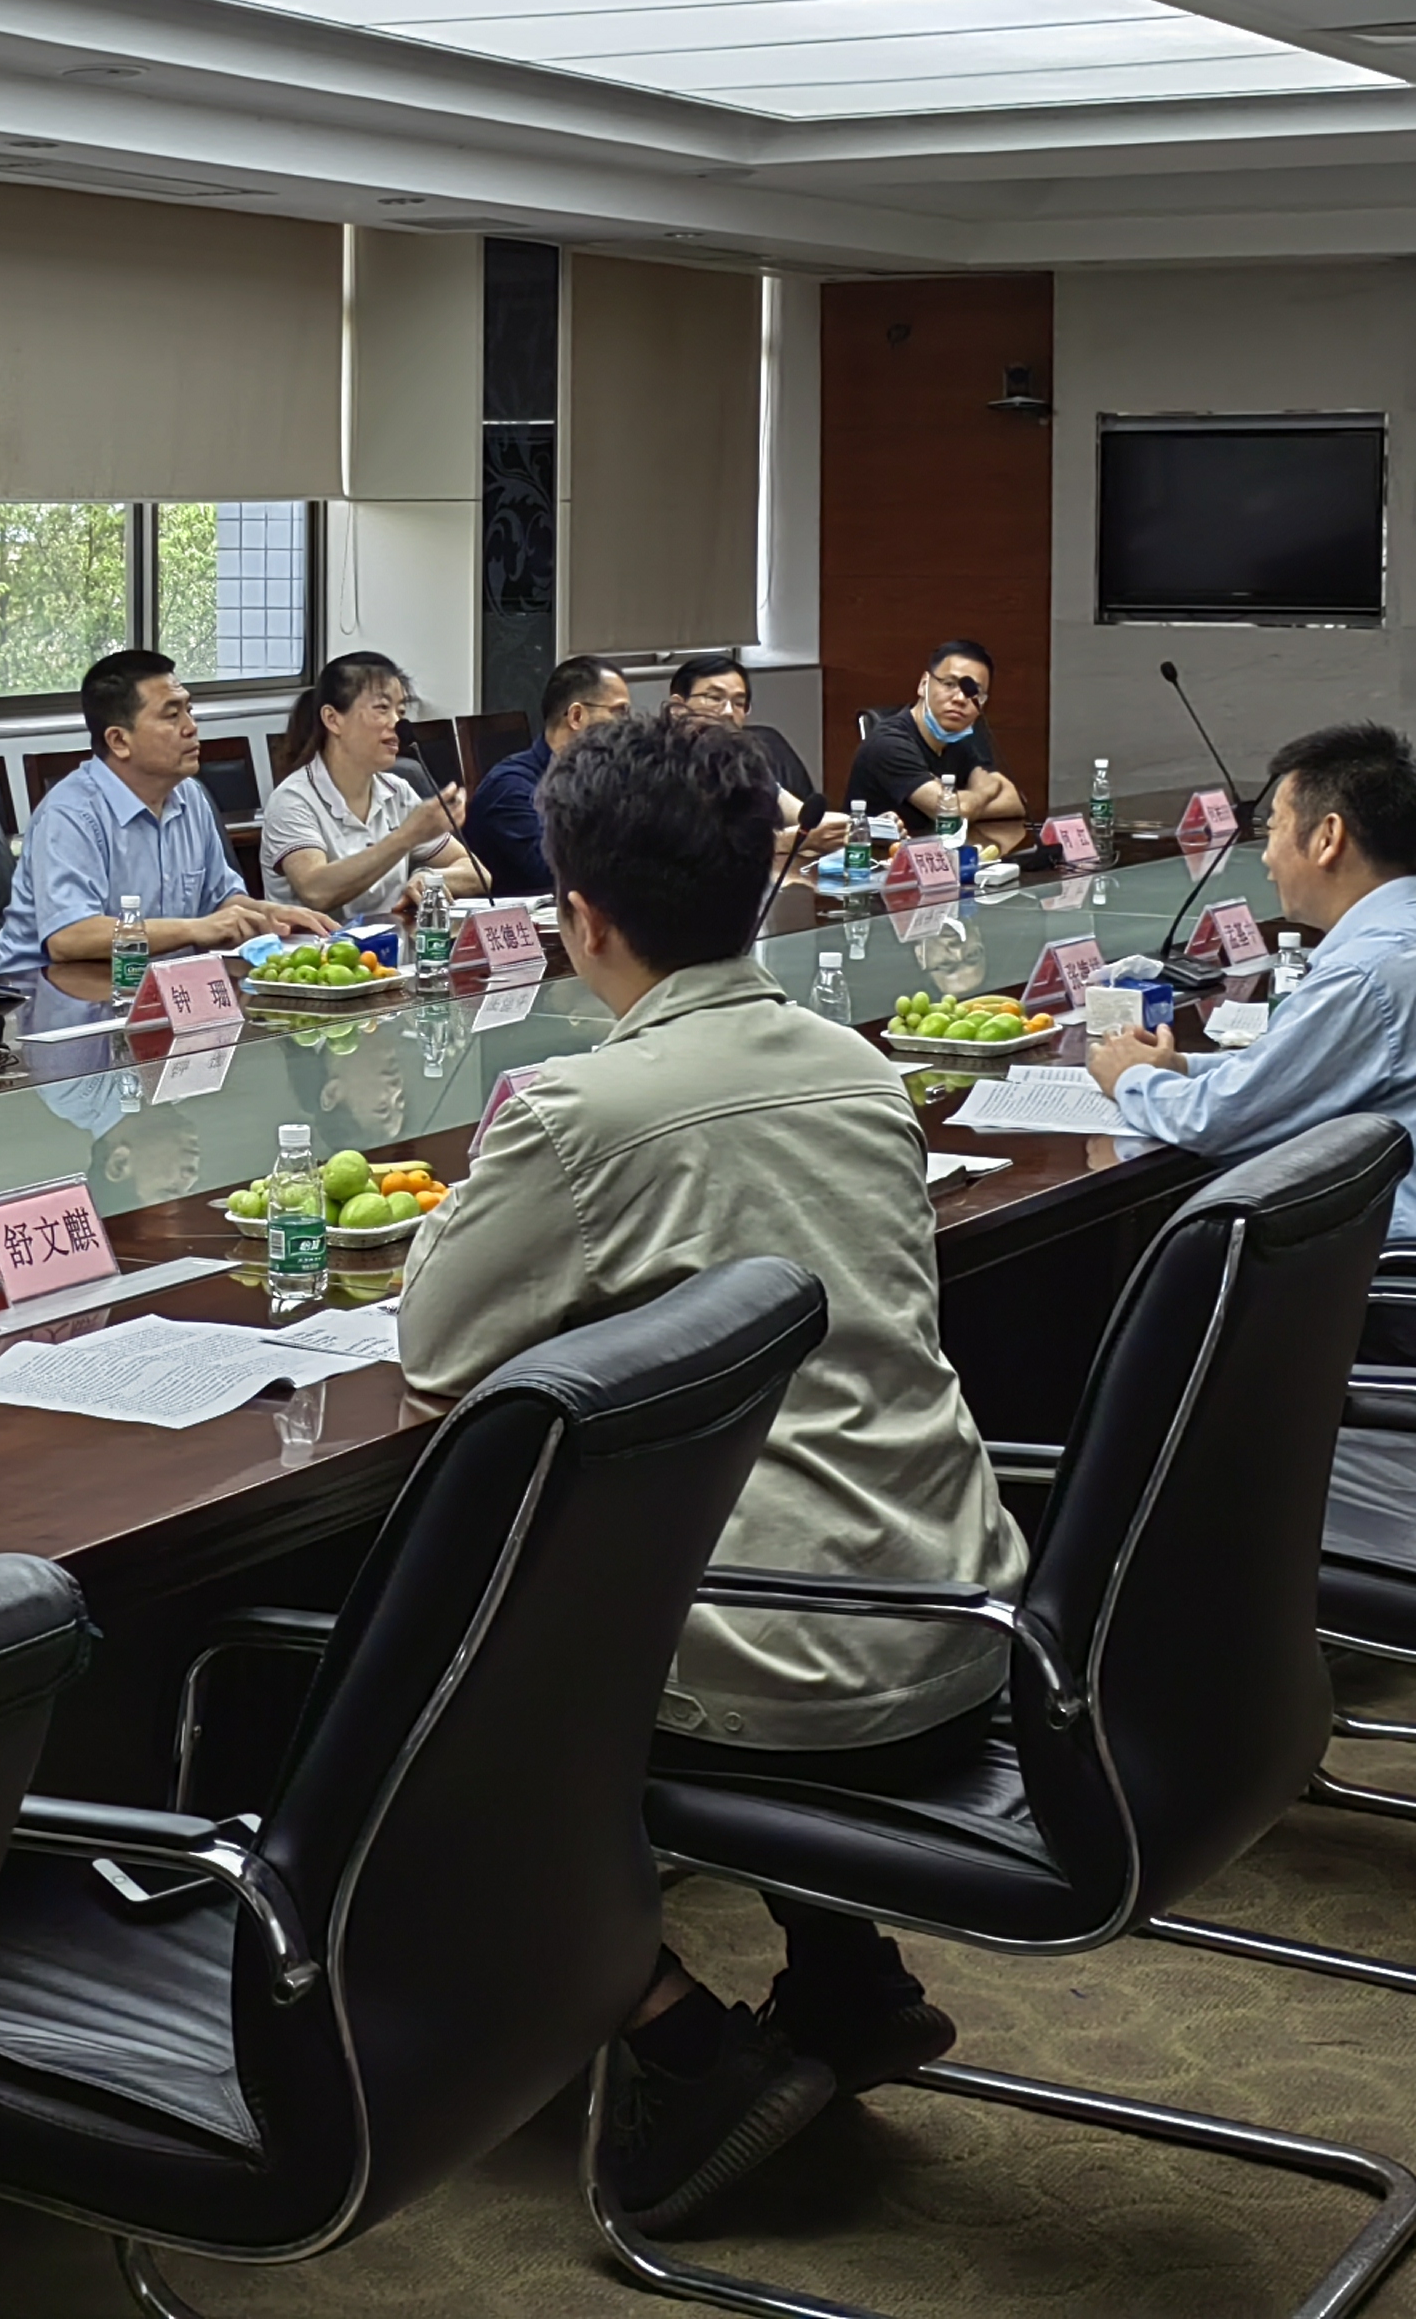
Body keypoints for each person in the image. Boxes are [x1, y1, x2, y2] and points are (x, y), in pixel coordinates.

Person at [398, 710, 1021, 2232]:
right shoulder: (860, 1069)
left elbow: (436, 1342)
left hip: (786, 1666)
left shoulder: (579, 1110)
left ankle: (687, 2048)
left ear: (581, 918)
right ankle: (848, 1979)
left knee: (424, 1720)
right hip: (962, 1610)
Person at [1087, 722, 1416, 1244]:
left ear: (1327, 838)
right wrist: (1181, 1066)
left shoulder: (1368, 974)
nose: (1266, 856)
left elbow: (1219, 1121)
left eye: (1274, 827)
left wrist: (1130, 1078)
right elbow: (1292, 1068)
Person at [0, 648, 327, 979]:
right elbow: (70, 937)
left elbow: (219, 900)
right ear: (119, 740)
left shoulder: (190, 796)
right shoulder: (70, 815)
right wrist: (194, 929)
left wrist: (269, 914)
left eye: (189, 711)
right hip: (45, 993)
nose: (191, 727)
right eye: (171, 716)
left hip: (150, 984)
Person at [261, 651, 472, 920]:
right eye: (382, 709)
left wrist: (430, 877)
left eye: (401, 711)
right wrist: (407, 836)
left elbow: (474, 871)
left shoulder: (397, 791)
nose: (397, 723)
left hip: (391, 943)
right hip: (320, 946)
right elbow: (316, 890)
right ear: (333, 719)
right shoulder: (293, 799)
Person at [461, 655, 630, 895]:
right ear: (576, 716)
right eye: (619, 712)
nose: (627, 725)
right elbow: (554, 872)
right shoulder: (510, 787)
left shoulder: (599, 779)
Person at [841, 640, 1024, 834]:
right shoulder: (888, 742)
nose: (960, 699)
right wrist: (982, 793)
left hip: (939, 849)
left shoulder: (962, 736)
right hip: (876, 852)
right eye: (949, 684)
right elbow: (950, 814)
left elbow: (1015, 801)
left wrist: (966, 807)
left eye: (973, 692)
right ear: (923, 684)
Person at [668, 650, 814, 819]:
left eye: (738, 703)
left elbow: (804, 819)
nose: (728, 712)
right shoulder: (658, 766)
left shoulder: (756, 756)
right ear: (678, 707)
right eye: (714, 698)